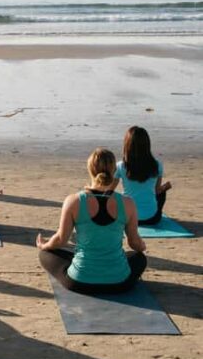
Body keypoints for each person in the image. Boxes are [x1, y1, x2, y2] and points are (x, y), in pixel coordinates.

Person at [37, 147, 147, 295]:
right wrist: (142, 245)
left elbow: (60, 240)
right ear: (114, 171)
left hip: (80, 282)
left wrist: (44, 245)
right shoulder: (127, 203)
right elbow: (134, 243)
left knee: (45, 254)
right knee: (139, 258)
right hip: (119, 282)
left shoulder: (73, 201)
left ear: (90, 170)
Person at [113, 126, 172, 225]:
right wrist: (165, 186)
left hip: (127, 218)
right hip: (152, 218)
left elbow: (110, 191)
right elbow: (157, 191)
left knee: (123, 196)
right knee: (162, 192)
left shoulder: (121, 166)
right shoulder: (157, 165)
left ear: (127, 145)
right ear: (147, 145)